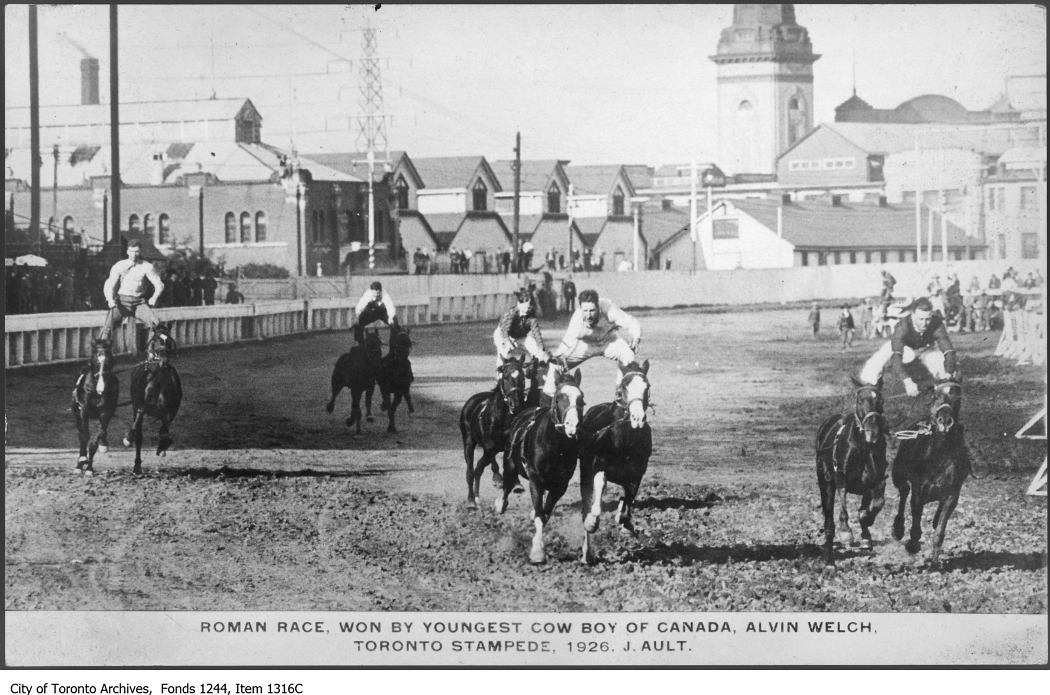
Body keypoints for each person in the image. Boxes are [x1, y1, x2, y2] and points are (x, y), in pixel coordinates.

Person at [859, 296, 957, 396]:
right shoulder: (902, 326)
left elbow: (949, 350)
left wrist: (948, 373)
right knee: (886, 351)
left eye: (927, 319)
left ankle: (940, 393)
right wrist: (908, 382)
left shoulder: (936, 323)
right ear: (913, 315)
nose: (924, 323)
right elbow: (896, 357)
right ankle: (869, 384)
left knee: (942, 366)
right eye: (921, 319)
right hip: (906, 350)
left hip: (926, 349)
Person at [551, 289, 641, 394]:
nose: (588, 316)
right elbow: (566, 345)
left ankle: (621, 394)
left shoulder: (608, 308)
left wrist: (636, 338)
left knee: (628, 355)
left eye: (592, 310)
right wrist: (554, 359)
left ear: (598, 307)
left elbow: (631, 322)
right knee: (556, 366)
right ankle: (550, 400)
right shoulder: (576, 322)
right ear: (580, 308)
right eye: (585, 311)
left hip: (608, 340)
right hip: (584, 345)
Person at [98, 239, 164, 344]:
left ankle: (153, 353)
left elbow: (159, 284)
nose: (134, 254)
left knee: (156, 325)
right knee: (107, 328)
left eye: (137, 251)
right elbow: (109, 284)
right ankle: (102, 355)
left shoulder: (146, 266)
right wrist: (110, 299)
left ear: (140, 251)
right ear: (127, 251)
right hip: (122, 302)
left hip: (139, 302)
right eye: (131, 251)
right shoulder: (119, 265)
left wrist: (154, 298)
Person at [492, 288, 551, 370]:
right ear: (519, 304)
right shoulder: (511, 313)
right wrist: (507, 341)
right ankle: (500, 376)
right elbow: (505, 330)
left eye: (529, 307)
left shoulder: (531, 315)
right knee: (504, 352)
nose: (526, 310)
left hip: (519, 336)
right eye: (525, 307)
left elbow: (536, 333)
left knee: (535, 347)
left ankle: (536, 370)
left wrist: (541, 348)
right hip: (503, 335)